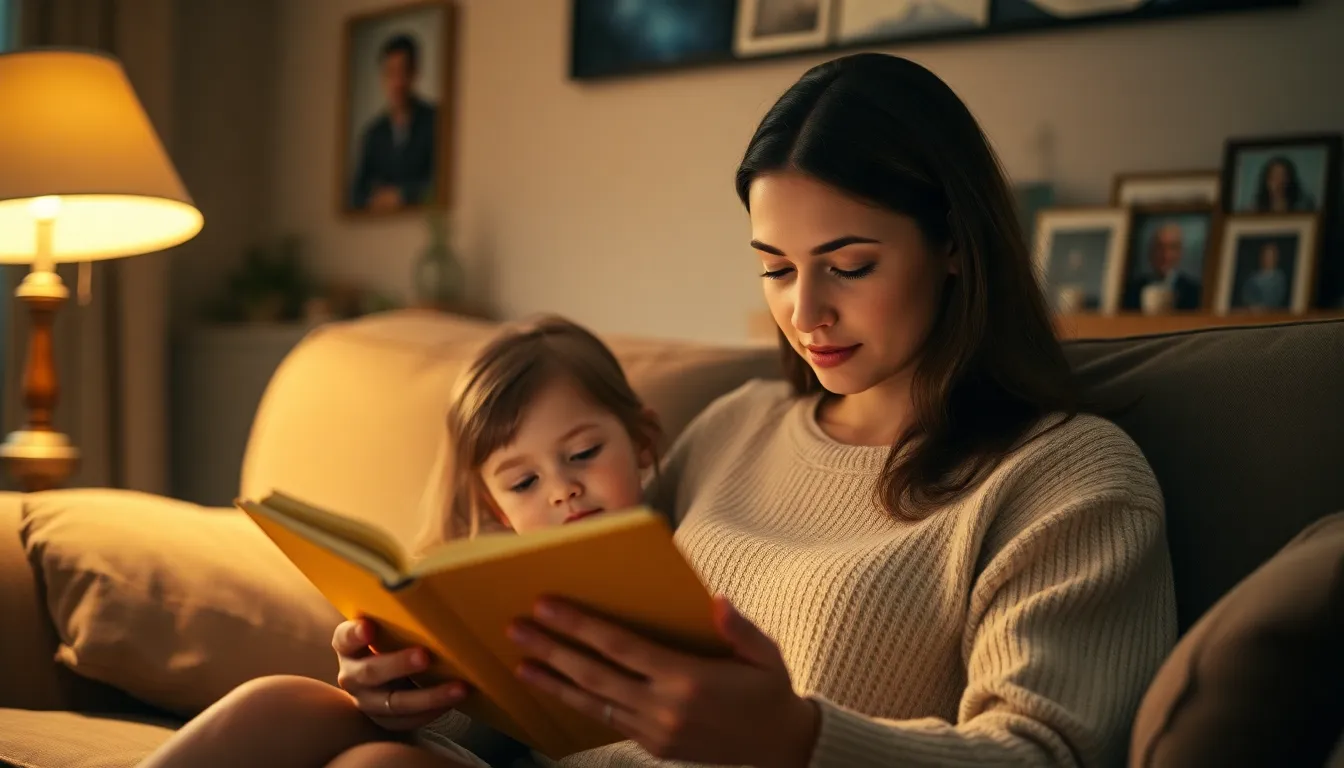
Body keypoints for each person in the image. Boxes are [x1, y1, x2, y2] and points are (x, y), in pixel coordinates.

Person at [159, 52, 1178, 768]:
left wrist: (793, 740)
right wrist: (436, 692)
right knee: (287, 708)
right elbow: (582, 674)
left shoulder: (1071, 478)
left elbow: (1046, 755)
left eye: (850, 266)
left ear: (955, 244)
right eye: (775, 268)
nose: (805, 312)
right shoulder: (736, 428)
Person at [137, 315, 664, 768]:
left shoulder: (682, 563)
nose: (562, 489)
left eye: (584, 452)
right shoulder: (491, 585)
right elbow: (469, 736)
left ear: (643, 442)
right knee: (278, 701)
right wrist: (403, 688)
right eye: (524, 482)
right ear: (494, 507)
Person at [349, 33, 438, 212]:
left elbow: (439, 182)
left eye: (403, 72)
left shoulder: (435, 121)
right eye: (390, 73)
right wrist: (376, 198)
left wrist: (403, 194)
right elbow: (357, 194)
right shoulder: (374, 133)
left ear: (414, 73)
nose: (397, 82)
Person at [1122, 221, 1202, 310]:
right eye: (1160, 247)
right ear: (1150, 251)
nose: (1165, 255)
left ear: (1180, 252)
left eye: (1172, 248)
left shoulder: (1194, 291)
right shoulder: (1131, 290)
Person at [1240, 241, 1291, 310]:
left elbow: (1277, 298)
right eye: (1266, 255)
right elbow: (1247, 296)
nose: (1267, 259)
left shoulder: (1279, 278)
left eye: (1270, 256)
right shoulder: (1253, 278)